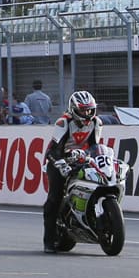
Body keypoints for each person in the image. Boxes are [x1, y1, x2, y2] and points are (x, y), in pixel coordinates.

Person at [42, 91, 105, 251]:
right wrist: (62, 164)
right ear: (74, 109)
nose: (87, 114)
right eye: (83, 110)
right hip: (58, 159)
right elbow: (53, 150)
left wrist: (90, 157)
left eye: (90, 110)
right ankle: (49, 241)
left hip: (81, 158)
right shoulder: (63, 122)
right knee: (54, 198)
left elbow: (94, 146)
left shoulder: (96, 122)